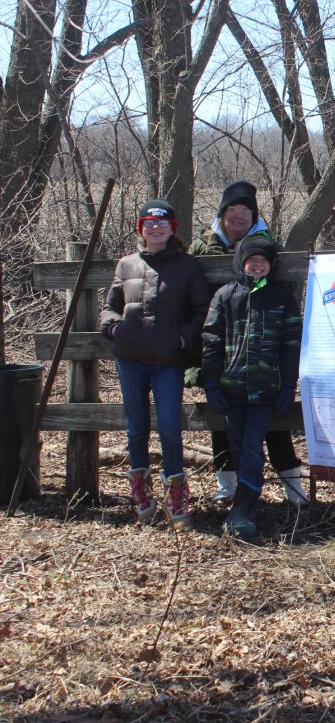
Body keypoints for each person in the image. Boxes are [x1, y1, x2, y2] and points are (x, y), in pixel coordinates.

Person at [189, 180, 307, 506]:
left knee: (275, 426)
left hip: (265, 354)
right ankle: (229, 488)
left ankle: (291, 488)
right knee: (222, 424)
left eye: (246, 211)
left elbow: (287, 291)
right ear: (222, 213)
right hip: (219, 349)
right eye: (232, 209)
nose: (238, 216)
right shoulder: (202, 246)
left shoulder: (269, 246)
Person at [100, 200, 210, 529]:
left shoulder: (187, 266)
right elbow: (109, 308)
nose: (156, 228)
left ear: (172, 229)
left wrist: (181, 338)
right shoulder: (127, 264)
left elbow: (202, 311)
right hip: (130, 359)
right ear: (141, 228)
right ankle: (142, 496)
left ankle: (177, 498)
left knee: (168, 426)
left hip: (168, 361)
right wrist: (115, 328)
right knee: (135, 427)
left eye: (162, 224)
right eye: (149, 223)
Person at [202, 234, 302, 538]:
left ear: (271, 265)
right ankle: (240, 504)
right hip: (231, 388)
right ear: (241, 262)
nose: (257, 265)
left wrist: (287, 386)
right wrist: (211, 385)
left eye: (263, 260)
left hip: (265, 390)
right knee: (236, 446)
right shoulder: (225, 296)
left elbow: (291, 346)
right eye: (251, 259)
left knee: (252, 449)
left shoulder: (282, 297)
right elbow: (211, 341)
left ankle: (243, 510)